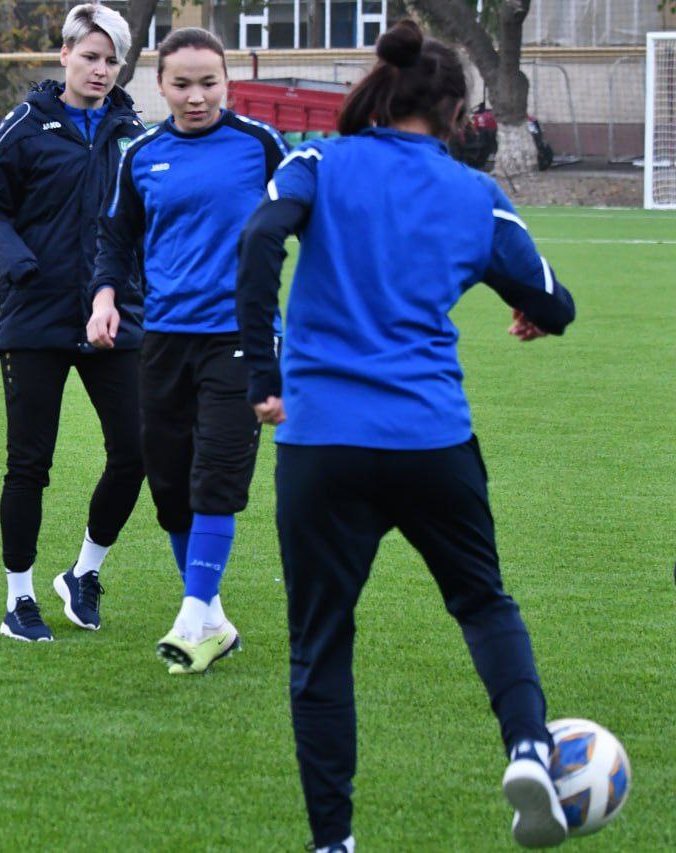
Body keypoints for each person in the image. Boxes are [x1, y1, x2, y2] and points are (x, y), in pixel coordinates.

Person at [236, 20, 576, 851]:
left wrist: (263, 375)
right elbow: (553, 301)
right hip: (430, 439)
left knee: (321, 645)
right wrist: (529, 309)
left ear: (381, 92)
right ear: (456, 113)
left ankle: (333, 840)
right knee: (483, 602)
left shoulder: (319, 161)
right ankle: (530, 748)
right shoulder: (474, 192)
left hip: (323, 443)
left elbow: (260, 236)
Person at [89, 27, 287, 674]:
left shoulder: (261, 145)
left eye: (209, 83)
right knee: (170, 483)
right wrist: (105, 297)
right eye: (182, 84)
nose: (196, 96)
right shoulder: (142, 154)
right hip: (165, 339)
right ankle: (212, 620)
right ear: (160, 85)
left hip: (241, 337)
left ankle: (191, 613)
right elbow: (115, 239)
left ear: (227, 81)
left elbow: (310, 221)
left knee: (217, 474)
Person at [0, 3, 149, 642]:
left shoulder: (135, 134)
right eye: (89, 56)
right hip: (35, 317)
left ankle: (85, 572)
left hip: (115, 317)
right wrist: (21, 265)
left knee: (136, 452)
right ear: (65, 54)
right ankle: (19, 599)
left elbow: (147, 221)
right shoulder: (25, 126)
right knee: (29, 465)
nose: (100, 70)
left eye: (111, 60)